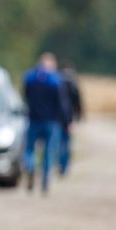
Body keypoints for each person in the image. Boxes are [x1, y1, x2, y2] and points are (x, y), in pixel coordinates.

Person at [22, 52, 70, 194]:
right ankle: (44, 180)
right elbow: (62, 103)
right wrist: (66, 121)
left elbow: (25, 97)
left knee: (30, 149)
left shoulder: (30, 78)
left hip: (33, 119)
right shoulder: (55, 80)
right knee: (48, 152)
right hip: (51, 122)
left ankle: (30, 168)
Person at [58, 62, 83, 176]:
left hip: (56, 117)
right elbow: (78, 101)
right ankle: (64, 165)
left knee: (59, 142)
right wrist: (78, 115)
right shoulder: (73, 83)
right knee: (66, 142)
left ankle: (60, 164)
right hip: (68, 117)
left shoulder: (57, 81)